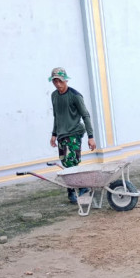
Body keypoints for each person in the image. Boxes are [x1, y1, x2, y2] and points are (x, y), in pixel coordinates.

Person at [48, 67, 97, 204]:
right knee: (66, 162)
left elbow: (85, 115)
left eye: (60, 81)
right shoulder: (54, 96)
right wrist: (54, 134)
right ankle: (73, 189)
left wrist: (91, 136)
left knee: (71, 161)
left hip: (74, 132)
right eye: (55, 81)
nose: (58, 84)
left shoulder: (75, 96)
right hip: (62, 134)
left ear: (65, 80)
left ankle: (81, 188)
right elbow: (56, 116)